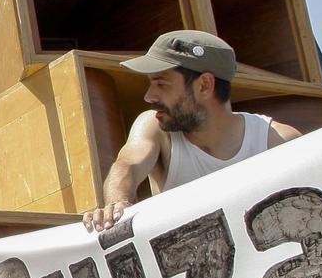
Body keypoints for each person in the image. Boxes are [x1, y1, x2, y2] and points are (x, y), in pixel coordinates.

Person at [84, 30, 300, 232]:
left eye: (161, 84)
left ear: (204, 85)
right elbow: (128, 165)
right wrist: (117, 204)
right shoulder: (155, 127)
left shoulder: (278, 142)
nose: (149, 96)